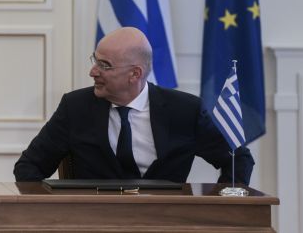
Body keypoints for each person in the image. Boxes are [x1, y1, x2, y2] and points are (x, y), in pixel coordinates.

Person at [14, 27, 254, 183]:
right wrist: (59, 213)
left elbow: (238, 159)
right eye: (95, 61)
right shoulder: (75, 107)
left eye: (104, 65)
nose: (93, 71)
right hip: (93, 223)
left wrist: (221, 205)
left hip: (167, 224)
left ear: (135, 74)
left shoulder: (185, 111)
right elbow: (28, 167)